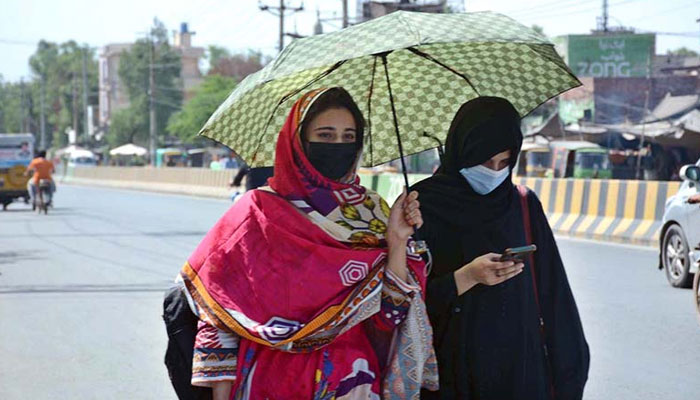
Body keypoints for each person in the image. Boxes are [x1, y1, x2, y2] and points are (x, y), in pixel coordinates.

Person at [177, 87, 438, 399]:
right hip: (269, 384)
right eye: (325, 136)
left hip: (353, 384)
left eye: (348, 137)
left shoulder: (373, 213)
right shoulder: (255, 213)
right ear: (298, 142)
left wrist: (396, 240)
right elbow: (220, 316)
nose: (338, 146)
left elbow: (388, 318)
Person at [412, 97, 590, 400]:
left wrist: (570, 378)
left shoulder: (522, 204)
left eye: (504, 163)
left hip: (520, 373)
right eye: (483, 162)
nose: (494, 173)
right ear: (461, 151)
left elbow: (555, 296)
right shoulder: (422, 206)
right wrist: (467, 277)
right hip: (447, 377)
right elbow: (404, 304)